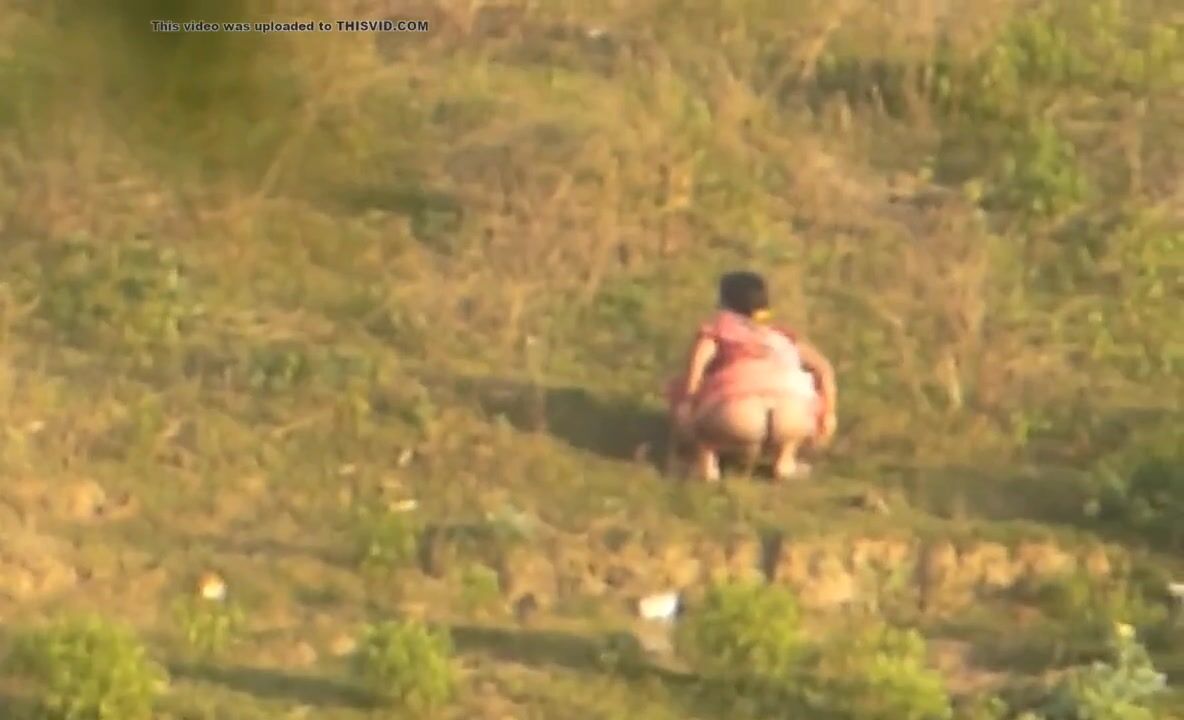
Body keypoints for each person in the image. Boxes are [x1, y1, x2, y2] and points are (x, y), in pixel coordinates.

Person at [665, 271, 837, 482]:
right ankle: (785, 462)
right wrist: (828, 413)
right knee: (793, 411)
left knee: (697, 414)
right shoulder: (780, 334)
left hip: (739, 408)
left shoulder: (718, 331)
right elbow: (823, 369)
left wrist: (687, 406)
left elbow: (695, 371)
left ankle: (706, 463)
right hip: (792, 410)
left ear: (723, 302)